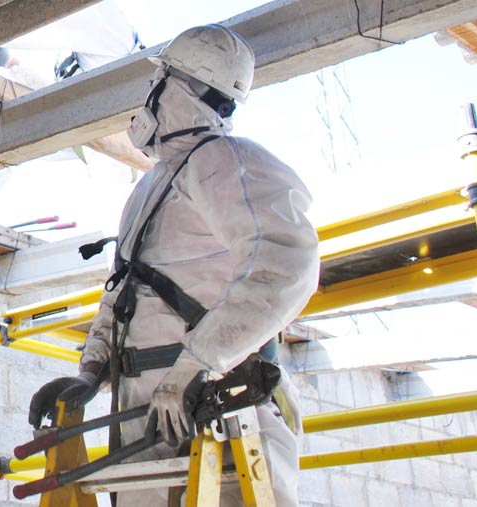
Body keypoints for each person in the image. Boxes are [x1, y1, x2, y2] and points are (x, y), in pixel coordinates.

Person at [28, 24, 319, 506]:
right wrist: (91, 374)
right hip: (148, 408)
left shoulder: (225, 162)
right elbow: (125, 292)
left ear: (179, 88)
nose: (148, 96)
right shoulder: (155, 184)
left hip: (217, 407)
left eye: (156, 81)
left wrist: (197, 366)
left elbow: (288, 265)